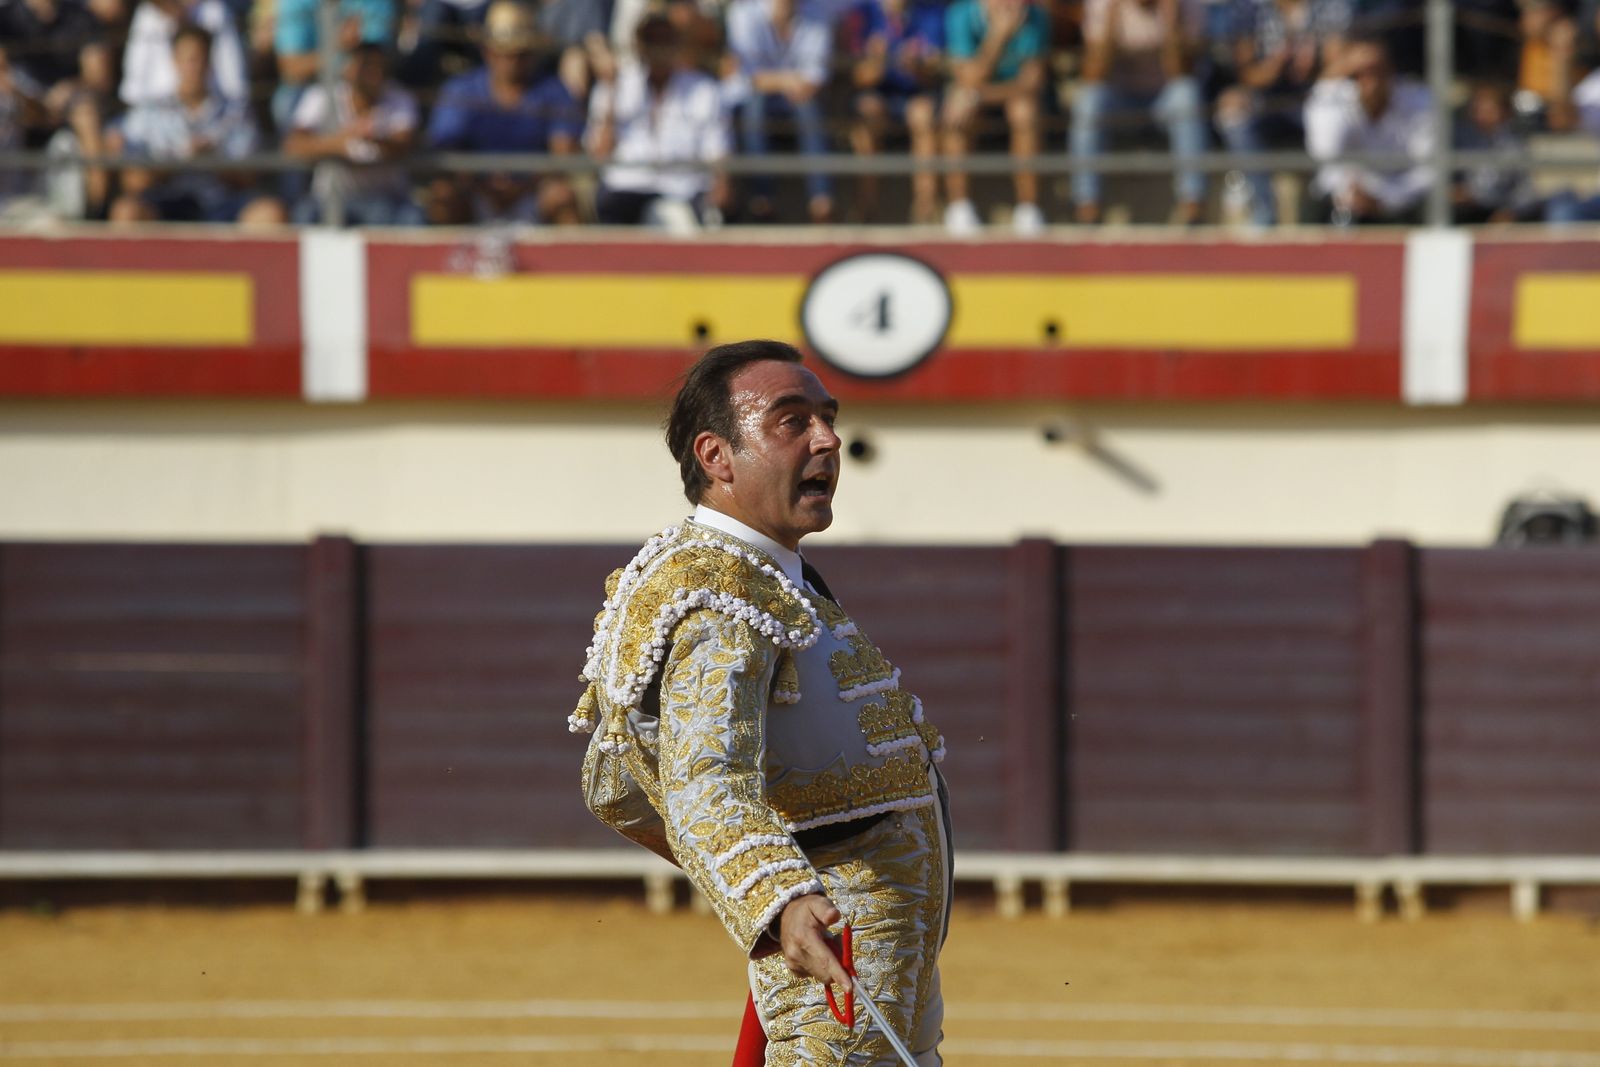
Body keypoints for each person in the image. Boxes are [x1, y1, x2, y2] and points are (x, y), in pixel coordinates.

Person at [573, 339, 951, 1065]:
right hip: (837, 937)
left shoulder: (756, 573)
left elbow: (616, 780)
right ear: (717, 456)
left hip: (867, 933)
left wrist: (743, 871)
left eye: (827, 418)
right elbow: (701, 777)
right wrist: (777, 894)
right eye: (792, 421)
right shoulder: (723, 594)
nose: (828, 439)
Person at [107, 21, 286, 225]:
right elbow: (133, 181)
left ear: (210, 62)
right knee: (126, 212)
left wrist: (213, 161)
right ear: (174, 61)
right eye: (187, 59)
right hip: (165, 201)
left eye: (199, 59)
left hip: (220, 203)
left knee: (270, 214)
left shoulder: (236, 112)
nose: (194, 67)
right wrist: (178, 160)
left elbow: (249, 177)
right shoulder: (148, 112)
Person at [423, 0, 583, 224]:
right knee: (443, 197)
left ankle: (571, 260)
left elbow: (563, 155)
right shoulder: (460, 90)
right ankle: (438, 260)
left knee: (562, 197)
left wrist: (522, 187)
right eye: (506, 52)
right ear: (488, 52)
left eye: (523, 53)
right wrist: (483, 186)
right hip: (476, 195)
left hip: (532, 194)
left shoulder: (554, 91)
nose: (515, 62)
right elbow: (446, 152)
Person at [587, 13, 730, 229]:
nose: (658, 49)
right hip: (628, 187)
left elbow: (718, 152)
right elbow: (600, 154)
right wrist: (612, 92)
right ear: (639, 46)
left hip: (684, 188)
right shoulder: (615, 85)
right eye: (651, 41)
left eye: (665, 40)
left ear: (677, 44)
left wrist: (718, 196)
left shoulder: (704, 90)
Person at [1072, 0, 1208, 225]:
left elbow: (1181, 72)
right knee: (1088, 101)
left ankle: (1193, 203)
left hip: (1165, 99)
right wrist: (1111, 22)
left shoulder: (1186, 5)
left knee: (1187, 95)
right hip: (1119, 101)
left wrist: (1171, 23)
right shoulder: (1102, 4)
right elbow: (1092, 74)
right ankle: (1088, 205)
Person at [1216, 0, 1352, 225]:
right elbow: (1249, 74)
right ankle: (1264, 215)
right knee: (1233, 110)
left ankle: (1339, 210)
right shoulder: (1249, 8)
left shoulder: (1329, 5)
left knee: (1334, 107)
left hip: (1316, 96)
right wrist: (1278, 63)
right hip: (1268, 100)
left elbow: (1337, 65)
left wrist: (1313, 67)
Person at [941, 0, 1050, 234]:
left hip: (1004, 97)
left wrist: (979, 96)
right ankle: (959, 207)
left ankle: (1028, 209)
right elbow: (967, 78)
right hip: (978, 97)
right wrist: (998, 37)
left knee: (1025, 112)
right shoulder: (960, 16)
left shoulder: (1037, 17)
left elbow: (1032, 83)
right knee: (957, 108)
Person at [283, 41, 423, 225]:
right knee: (304, 214)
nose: (374, 74)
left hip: (386, 196)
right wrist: (339, 143)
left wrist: (376, 139)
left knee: (401, 216)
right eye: (366, 67)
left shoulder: (400, 98)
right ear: (349, 69)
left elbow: (405, 144)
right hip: (331, 196)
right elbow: (293, 145)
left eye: (378, 67)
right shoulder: (324, 94)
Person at [1302, 33, 1432, 224]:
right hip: (1349, 199)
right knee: (1317, 207)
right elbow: (1325, 158)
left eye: (1377, 71)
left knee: (1433, 209)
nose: (1369, 81)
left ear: (1391, 71)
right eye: (1358, 74)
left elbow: (1429, 171)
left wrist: (1385, 198)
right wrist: (1348, 192)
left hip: (1401, 200)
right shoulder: (1333, 100)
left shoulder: (1419, 101)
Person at [725, 0, 836, 223]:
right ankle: (762, 198)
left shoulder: (818, 15)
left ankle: (821, 200)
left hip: (796, 97)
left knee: (808, 108)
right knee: (755, 107)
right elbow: (748, 75)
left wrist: (783, 83)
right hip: (752, 98)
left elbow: (816, 77)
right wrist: (789, 81)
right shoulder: (742, 13)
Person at [844, 0, 946, 223]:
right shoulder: (862, 13)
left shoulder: (930, 12)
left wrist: (918, 67)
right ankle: (865, 207)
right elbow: (858, 78)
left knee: (924, 113)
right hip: (876, 94)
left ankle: (925, 208)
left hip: (917, 94)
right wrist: (877, 61)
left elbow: (936, 73)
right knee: (867, 111)